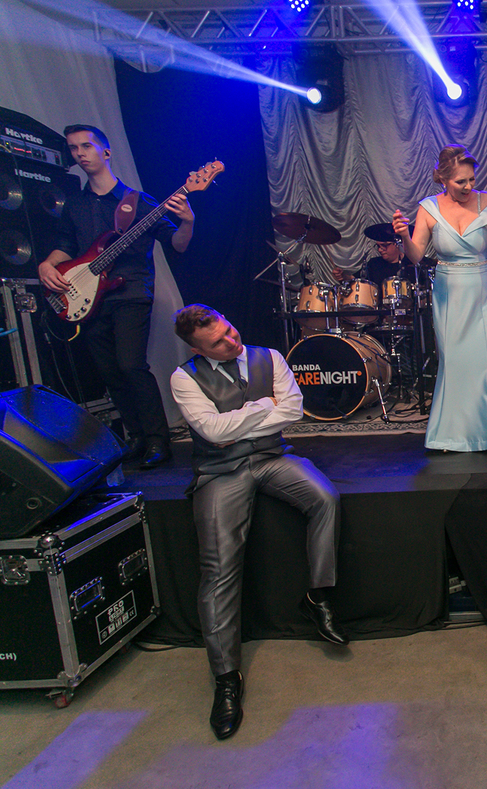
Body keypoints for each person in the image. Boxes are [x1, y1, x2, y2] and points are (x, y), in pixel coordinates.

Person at [169, 304, 348, 740]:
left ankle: (318, 596)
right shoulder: (183, 378)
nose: (231, 341)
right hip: (220, 471)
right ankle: (226, 680)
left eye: (230, 330)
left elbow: (294, 411)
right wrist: (263, 407)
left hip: (273, 457)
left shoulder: (271, 357)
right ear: (197, 349)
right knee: (219, 568)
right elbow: (212, 433)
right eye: (218, 342)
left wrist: (237, 423)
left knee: (325, 498)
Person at [39, 124, 194, 469]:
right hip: (89, 299)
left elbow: (177, 245)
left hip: (131, 292)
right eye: (74, 148)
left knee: (131, 365)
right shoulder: (75, 205)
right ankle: (135, 437)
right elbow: (65, 245)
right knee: (110, 372)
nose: (79, 153)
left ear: (106, 152)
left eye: (86, 146)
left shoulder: (139, 202)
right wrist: (47, 265)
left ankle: (158, 439)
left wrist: (187, 222)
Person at [393, 145, 487, 451]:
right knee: (455, 362)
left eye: (472, 179)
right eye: (460, 181)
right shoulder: (428, 208)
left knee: (486, 360)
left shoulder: (486, 202)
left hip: (482, 289)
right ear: (443, 179)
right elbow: (416, 256)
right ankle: (453, 435)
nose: (469, 186)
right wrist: (403, 237)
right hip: (449, 293)